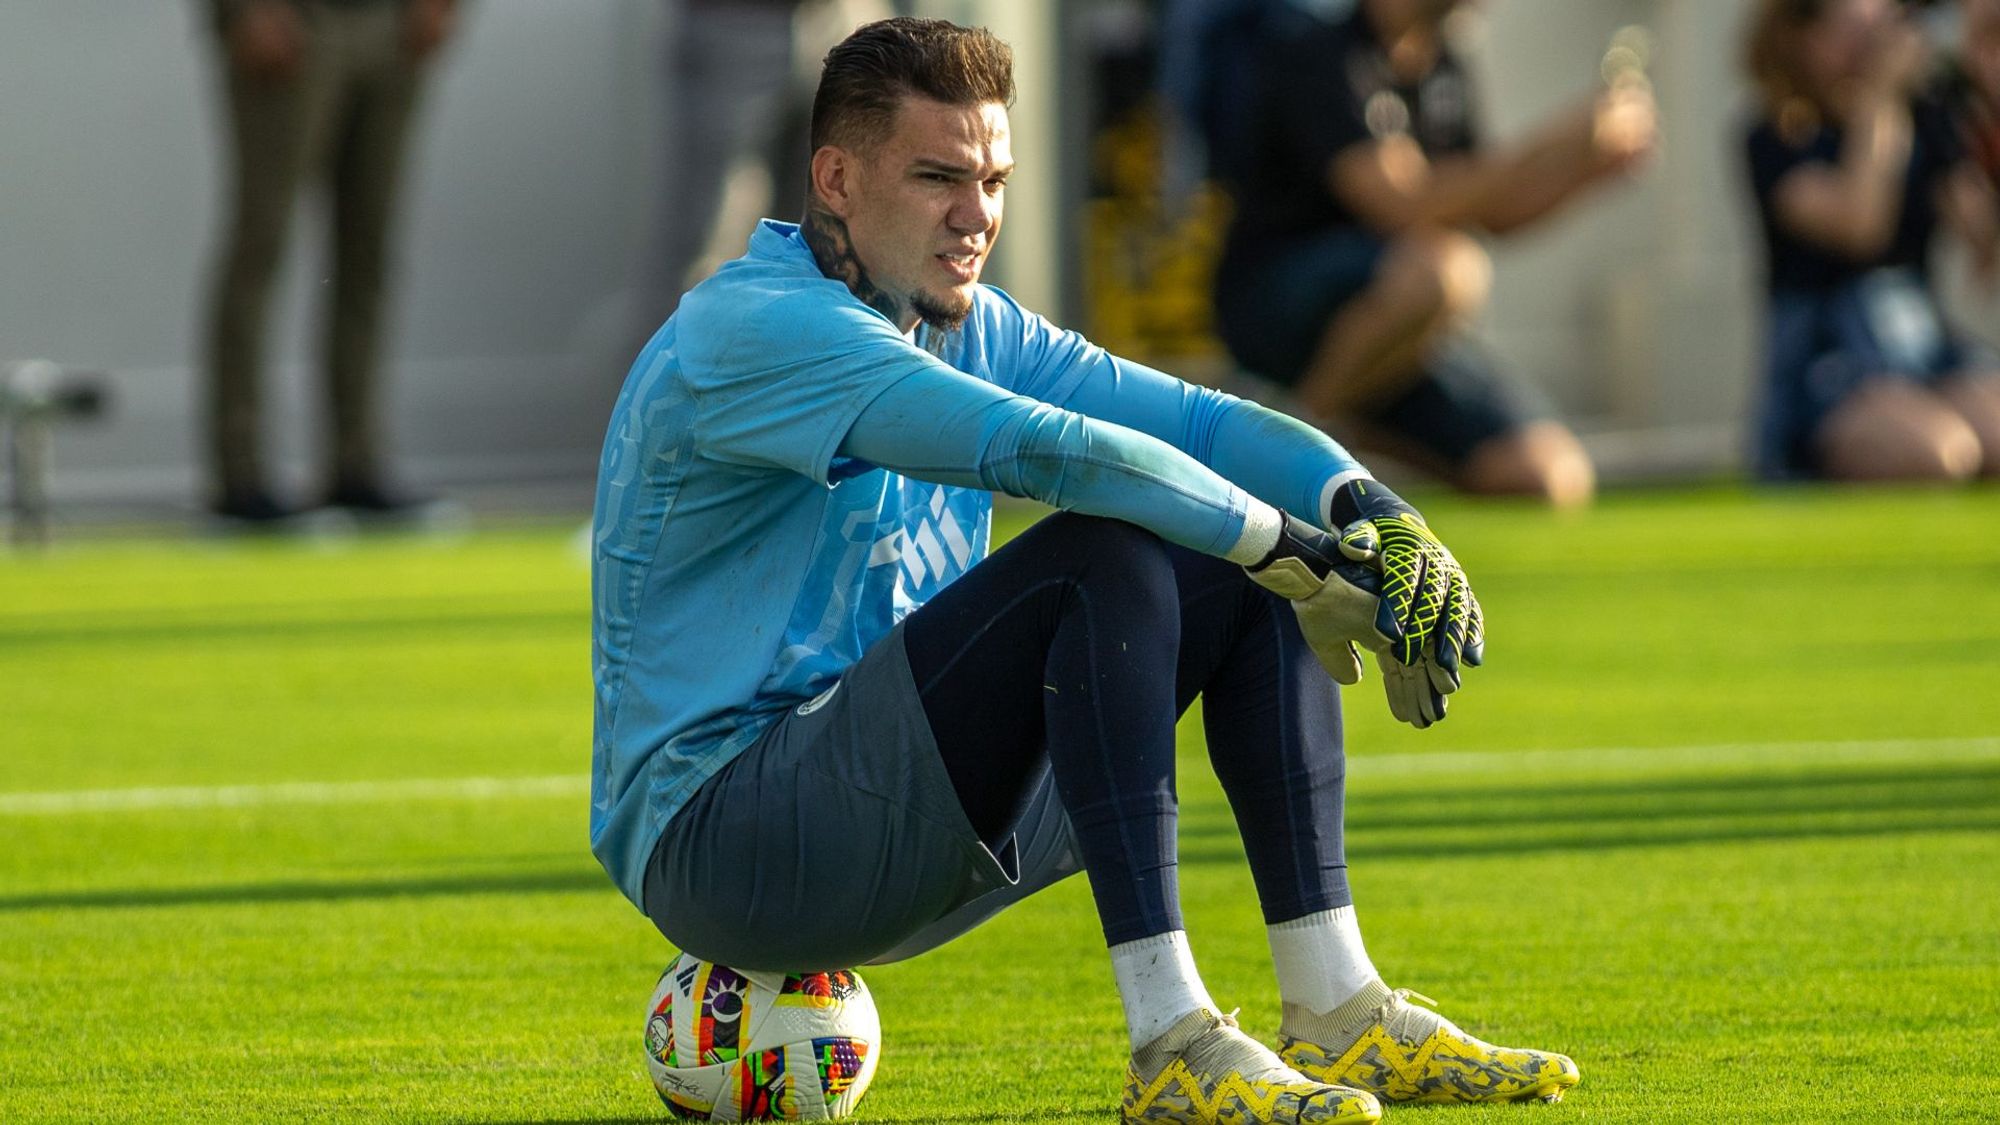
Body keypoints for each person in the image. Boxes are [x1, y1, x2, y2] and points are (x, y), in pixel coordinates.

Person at [593, 18, 1578, 1124]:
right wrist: (1282, 545)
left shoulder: (963, 318)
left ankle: (1336, 1007)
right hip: (728, 843)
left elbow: (1200, 422)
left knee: (1221, 554)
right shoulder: (753, 325)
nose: (976, 216)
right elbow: (1045, 453)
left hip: (903, 804)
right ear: (834, 178)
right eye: (936, 179)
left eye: (992, 179)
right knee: (1110, 548)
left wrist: (1371, 514)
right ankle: (1169, 1041)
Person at [1208, 0, 1657, 508]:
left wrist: (1585, 167)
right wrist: (1555, 138)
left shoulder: (1443, 64)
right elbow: (1400, 204)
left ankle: (1346, 436)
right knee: (1444, 270)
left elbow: (1488, 211)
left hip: (1400, 328)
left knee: (1547, 473)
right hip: (1281, 303)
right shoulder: (1319, 51)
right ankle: (1290, 444)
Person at [201, 0, 455, 522]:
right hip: (292, 19)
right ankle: (240, 471)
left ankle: (355, 461)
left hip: (393, 23)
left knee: (370, 251)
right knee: (260, 247)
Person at [1743, 0, 2000, 481]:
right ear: (1803, 39)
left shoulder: (1925, 116)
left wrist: (1980, 85)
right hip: (1829, 361)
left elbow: (1979, 235)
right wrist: (1880, 100)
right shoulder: (1776, 140)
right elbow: (1861, 227)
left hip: (1919, 340)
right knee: (1937, 455)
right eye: (1851, 34)